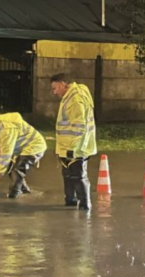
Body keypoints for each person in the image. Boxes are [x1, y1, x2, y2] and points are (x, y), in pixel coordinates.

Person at [50, 73, 97, 210]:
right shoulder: (71, 96)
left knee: (78, 176)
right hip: (69, 146)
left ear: (63, 84)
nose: (54, 92)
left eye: (55, 88)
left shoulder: (75, 99)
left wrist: (72, 148)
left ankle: (84, 204)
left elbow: (78, 126)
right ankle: (71, 201)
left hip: (76, 148)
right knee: (68, 175)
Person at [0, 111, 47, 198]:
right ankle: (24, 189)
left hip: (35, 146)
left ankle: (13, 194)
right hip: (24, 148)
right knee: (11, 168)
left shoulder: (6, 130)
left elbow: (6, 154)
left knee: (17, 169)